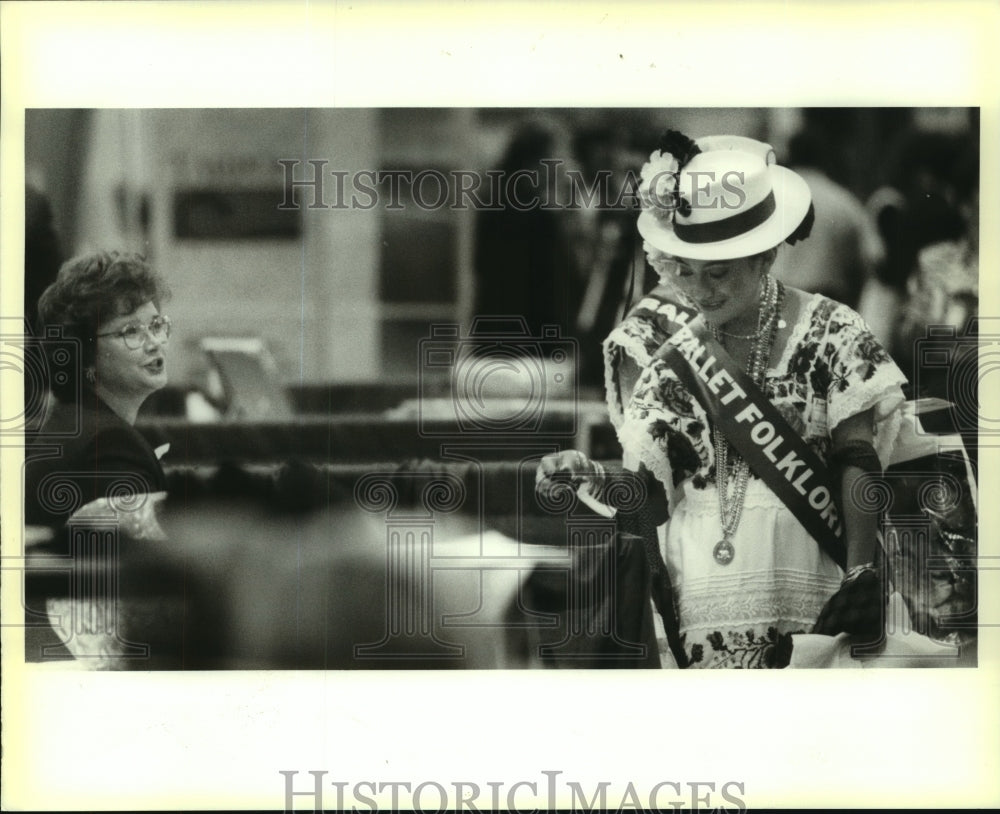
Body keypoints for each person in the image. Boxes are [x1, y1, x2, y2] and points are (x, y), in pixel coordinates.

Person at [537, 131, 908, 668]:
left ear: (765, 255)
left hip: (812, 589)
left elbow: (857, 458)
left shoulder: (833, 331)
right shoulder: (672, 360)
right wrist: (589, 475)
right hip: (706, 607)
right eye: (685, 272)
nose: (701, 291)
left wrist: (861, 570)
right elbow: (650, 493)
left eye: (718, 273)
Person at [26, 250, 172, 532]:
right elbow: (142, 569)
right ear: (86, 355)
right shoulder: (110, 445)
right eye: (130, 331)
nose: (154, 342)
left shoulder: (75, 421)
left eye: (156, 325)